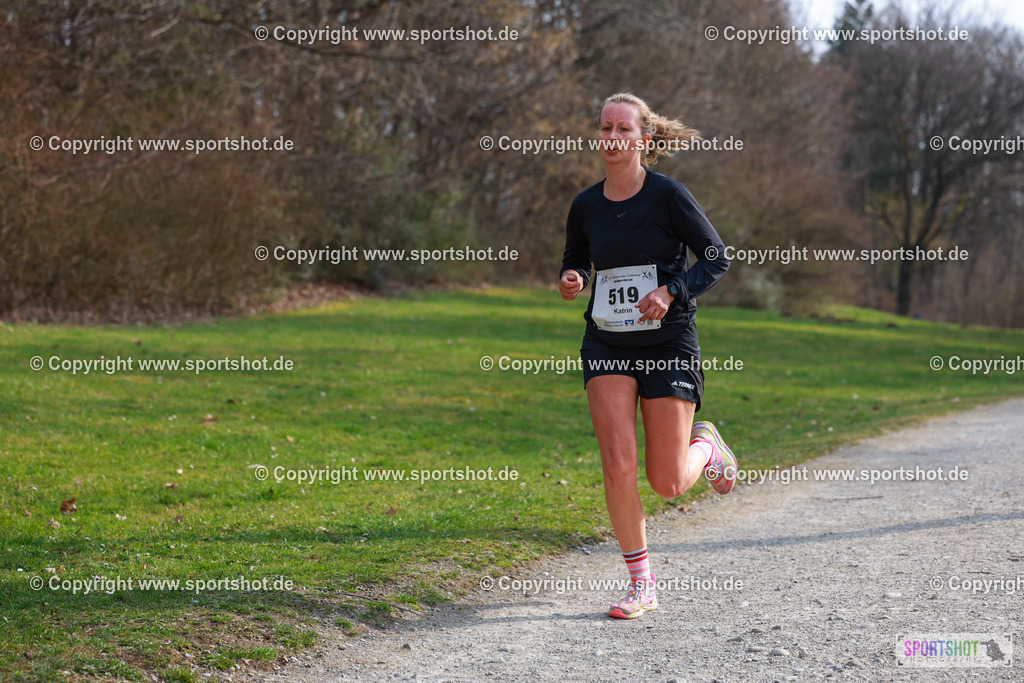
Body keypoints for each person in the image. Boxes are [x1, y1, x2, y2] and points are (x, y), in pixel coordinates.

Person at [559, 92, 737, 620]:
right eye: (605, 129)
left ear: (645, 139)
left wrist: (671, 291)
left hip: (666, 342)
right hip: (608, 341)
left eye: (623, 130)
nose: (611, 139)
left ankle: (707, 447)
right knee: (617, 463)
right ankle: (641, 583)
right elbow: (577, 261)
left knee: (667, 481)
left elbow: (716, 257)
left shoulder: (668, 196)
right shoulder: (585, 205)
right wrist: (573, 278)